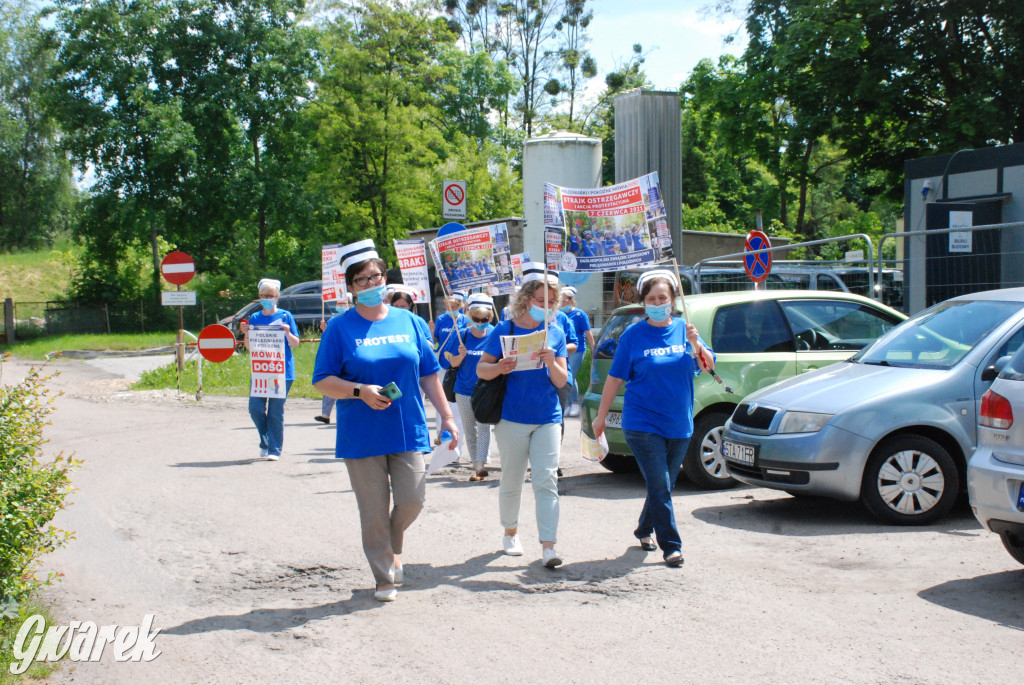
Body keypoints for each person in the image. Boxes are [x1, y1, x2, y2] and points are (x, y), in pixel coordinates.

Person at [312, 240, 458, 602]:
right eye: (362, 280)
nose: (371, 284)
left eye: (376, 276)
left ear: (385, 278)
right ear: (350, 287)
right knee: (374, 510)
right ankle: (384, 575)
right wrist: (360, 390)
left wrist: (447, 416)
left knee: (413, 500)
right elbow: (322, 379)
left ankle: (392, 548)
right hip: (361, 434)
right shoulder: (339, 329)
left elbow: (428, 372)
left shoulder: (408, 320)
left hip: (407, 427)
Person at [592, 269, 715, 567]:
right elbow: (614, 379)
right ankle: (671, 546)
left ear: (673, 300)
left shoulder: (686, 330)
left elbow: (709, 365)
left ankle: (644, 528)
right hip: (642, 423)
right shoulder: (632, 336)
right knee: (660, 484)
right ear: (643, 302)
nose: (658, 302)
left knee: (664, 485)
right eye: (651, 298)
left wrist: (696, 344)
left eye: (663, 298)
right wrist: (600, 416)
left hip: (680, 423)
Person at [476, 262, 568, 567]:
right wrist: (500, 366)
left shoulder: (556, 331)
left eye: (552, 302)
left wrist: (552, 361)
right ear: (527, 298)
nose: (547, 307)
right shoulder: (506, 328)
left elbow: (560, 381)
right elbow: (481, 369)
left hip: (547, 417)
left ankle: (549, 546)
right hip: (512, 417)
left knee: (546, 480)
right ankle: (510, 532)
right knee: (512, 479)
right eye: (541, 301)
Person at [240, 278, 300, 460]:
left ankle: (274, 449)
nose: (268, 298)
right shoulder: (255, 318)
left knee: (275, 411)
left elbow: (295, 344)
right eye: (264, 296)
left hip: (282, 372)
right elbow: (249, 347)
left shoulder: (285, 316)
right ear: (259, 297)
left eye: (271, 296)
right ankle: (266, 438)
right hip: (261, 371)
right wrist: (246, 334)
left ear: (277, 297)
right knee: (255, 408)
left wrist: (288, 332)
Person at [439, 293, 495, 481]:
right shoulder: (461, 334)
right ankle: (476, 464)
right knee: (470, 430)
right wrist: (460, 356)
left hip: (486, 389)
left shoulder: (495, 334)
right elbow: (450, 362)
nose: (480, 322)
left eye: (484, 319)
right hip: (463, 389)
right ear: (470, 317)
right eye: (476, 319)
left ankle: (480, 465)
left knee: (484, 427)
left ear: (490, 318)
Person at [559, 286, 595, 417]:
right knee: (564, 376)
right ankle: (568, 404)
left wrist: (594, 349)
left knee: (570, 376)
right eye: (560, 301)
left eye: (564, 301)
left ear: (570, 300)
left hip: (578, 349)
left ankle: (575, 403)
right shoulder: (560, 315)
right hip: (564, 350)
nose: (561, 304)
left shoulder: (580, 314)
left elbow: (588, 332)